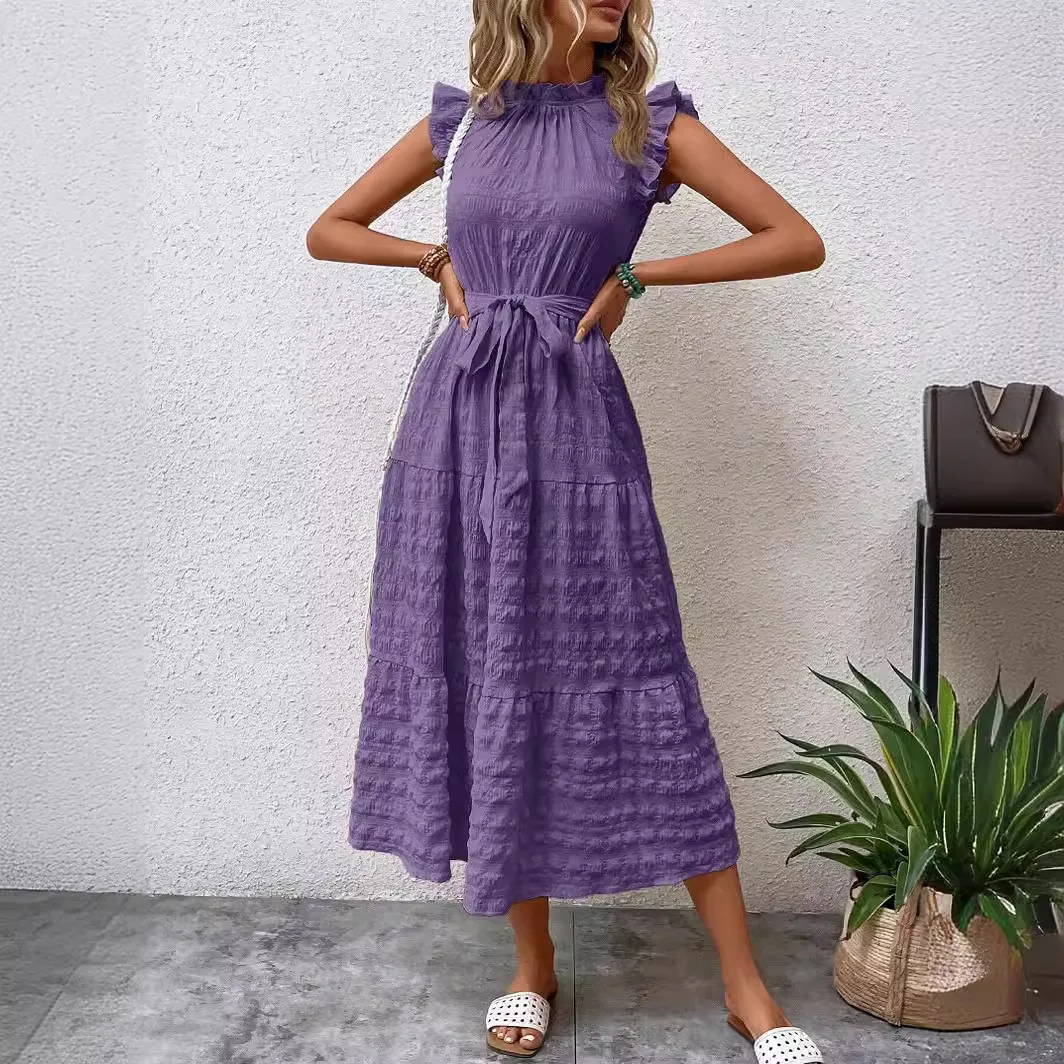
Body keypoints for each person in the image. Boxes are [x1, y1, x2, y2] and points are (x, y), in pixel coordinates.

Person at [307, 1, 825, 1059]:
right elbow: (330, 228)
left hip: (577, 427)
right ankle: (531, 964)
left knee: (638, 668)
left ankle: (746, 988)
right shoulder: (466, 120)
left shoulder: (649, 123)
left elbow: (794, 240)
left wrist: (638, 275)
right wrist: (431, 258)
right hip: (455, 426)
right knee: (491, 666)